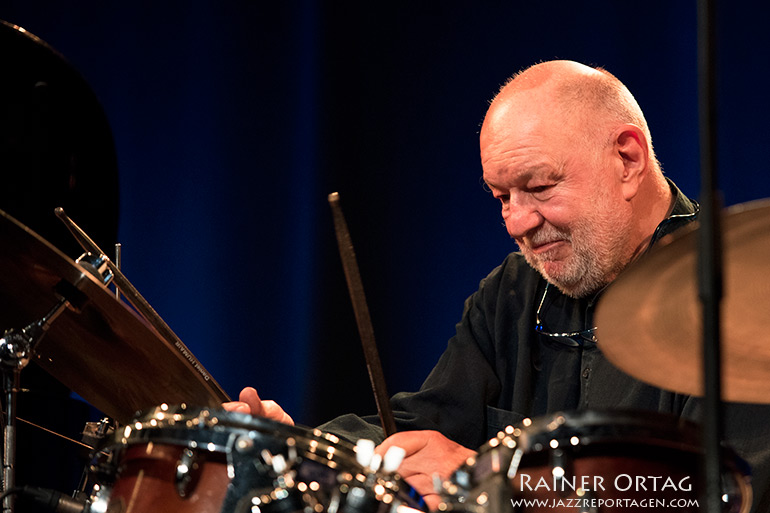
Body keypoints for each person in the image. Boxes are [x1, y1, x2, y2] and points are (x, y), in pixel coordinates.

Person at [224, 60, 770, 511]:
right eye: (501, 198)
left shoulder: (740, 298)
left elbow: (711, 496)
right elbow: (418, 428)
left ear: (627, 159)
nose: (517, 223)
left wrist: (493, 481)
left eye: (539, 187)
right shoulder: (512, 292)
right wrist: (295, 450)